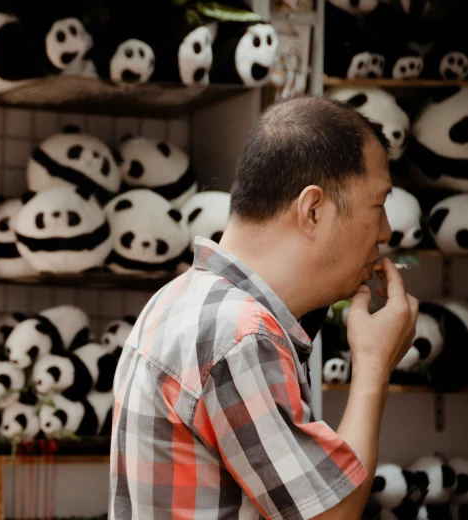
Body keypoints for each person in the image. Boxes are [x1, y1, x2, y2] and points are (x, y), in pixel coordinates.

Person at [108, 95, 418, 520]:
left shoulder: (180, 297)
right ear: (312, 210)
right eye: (378, 204)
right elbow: (332, 517)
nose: (385, 232)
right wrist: (374, 364)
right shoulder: (239, 334)